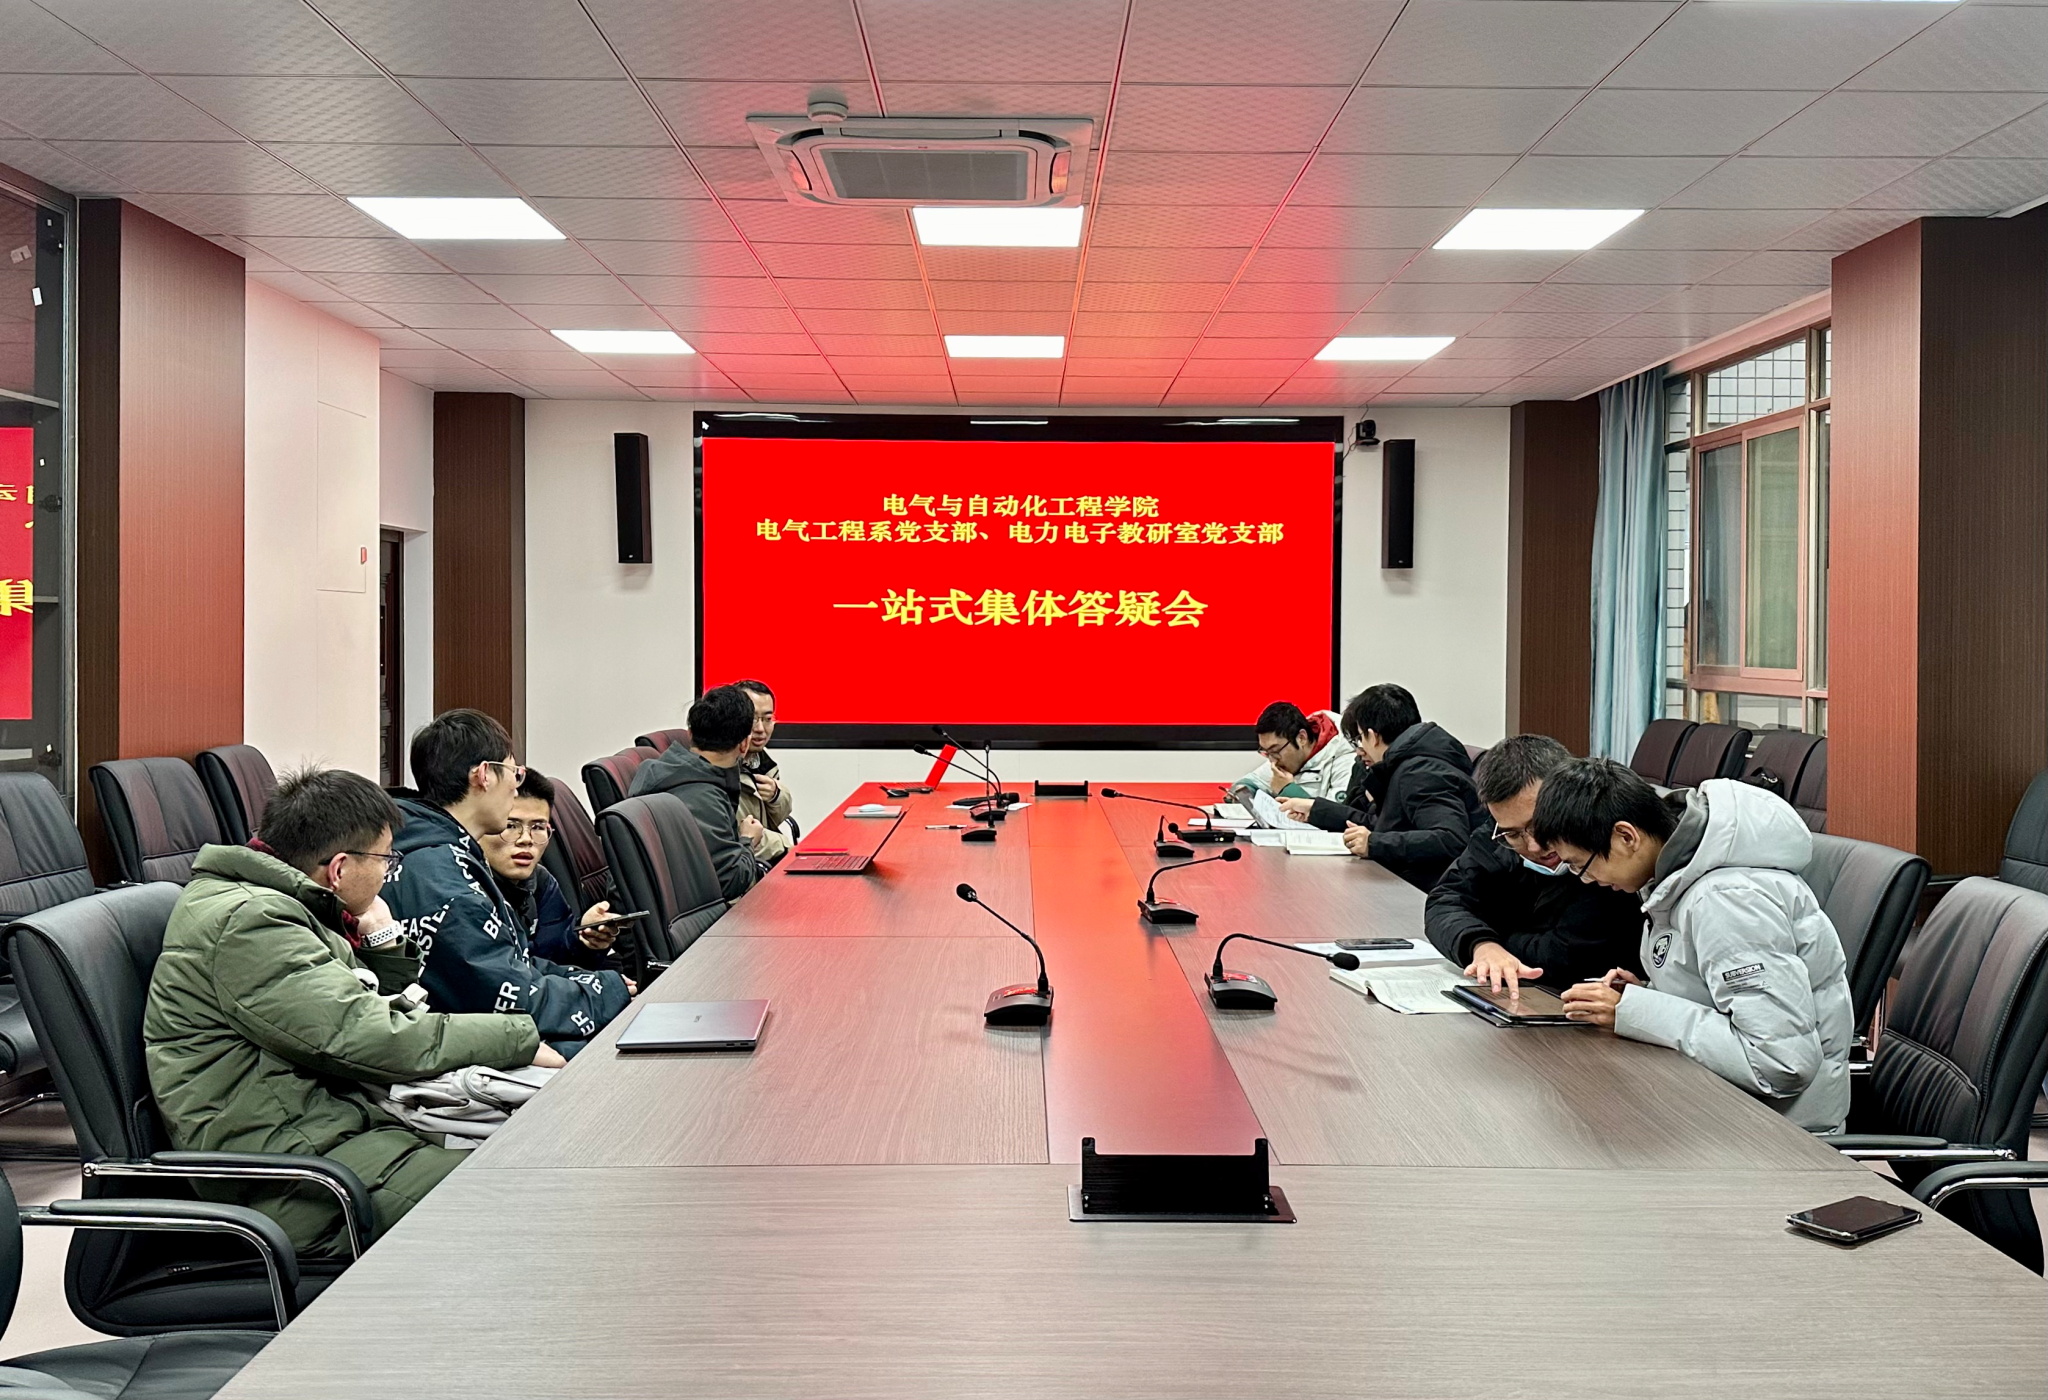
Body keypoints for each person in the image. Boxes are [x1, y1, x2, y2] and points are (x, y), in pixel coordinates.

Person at [144, 767, 560, 1256]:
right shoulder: (252, 923)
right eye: (386, 859)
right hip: (300, 1179)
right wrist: (518, 1039)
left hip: (338, 1133)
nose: (388, 873)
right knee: (532, 1198)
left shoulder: (281, 904)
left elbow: (357, 1011)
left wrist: (381, 941)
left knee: (544, 1165)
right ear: (340, 868)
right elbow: (368, 1037)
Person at [1534, 758, 1853, 1134]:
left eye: (1580, 864)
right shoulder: (1679, 881)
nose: (1585, 879)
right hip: (1717, 1111)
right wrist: (1649, 994)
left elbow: (1779, 1063)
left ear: (1626, 837)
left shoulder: (1727, 899)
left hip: (1774, 1137)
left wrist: (1637, 1010)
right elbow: (1727, 1003)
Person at [387, 709, 633, 1056]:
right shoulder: (445, 881)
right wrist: (605, 991)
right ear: (484, 775)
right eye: (514, 774)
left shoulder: (435, 849)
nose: (516, 788)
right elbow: (506, 996)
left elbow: (512, 962)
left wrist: (587, 981)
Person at [1424, 735, 1645, 994]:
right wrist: (1482, 945)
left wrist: (1495, 933)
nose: (1534, 846)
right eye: (1514, 833)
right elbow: (1445, 901)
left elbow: (1566, 957)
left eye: (1540, 823)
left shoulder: (1608, 855)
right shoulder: (1497, 836)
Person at [1282, 683, 1483, 891]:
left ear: (1373, 736)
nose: (1359, 750)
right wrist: (1317, 810)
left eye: (1360, 738)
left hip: (1427, 892)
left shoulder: (1421, 771)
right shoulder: (1405, 766)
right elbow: (1383, 825)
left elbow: (1450, 839)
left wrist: (1374, 844)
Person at [628, 684, 765, 901]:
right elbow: (730, 882)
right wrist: (748, 840)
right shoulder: (704, 798)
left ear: (690, 734)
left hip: (661, 907)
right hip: (694, 914)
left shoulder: (657, 772)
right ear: (744, 745)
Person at [476, 768, 622, 971]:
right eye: (510, 826)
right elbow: (507, 973)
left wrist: (584, 940)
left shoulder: (540, 881)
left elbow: (556, 955)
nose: (526, 839)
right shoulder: (467, 889)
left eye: (537, 827)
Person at [1241, 700, 1355, 801]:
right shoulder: (1281, 756)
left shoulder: (1347, 759)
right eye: (1267, 752)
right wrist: (1240, 792)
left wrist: (1287, 790)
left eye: (1275, 750)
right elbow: (1248, 783)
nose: (1272, 761)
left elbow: (1336, 813)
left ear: (1301, 738)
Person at [733, 678, 794, 865]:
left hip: (763, 862)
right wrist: (787, 847)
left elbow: (776, 820)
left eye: (768, 719)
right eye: (753, 719)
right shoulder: (725, 765)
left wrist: (776, 795)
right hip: (750, 870)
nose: (760, 729)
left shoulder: (761, 761)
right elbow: (741, 838)